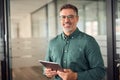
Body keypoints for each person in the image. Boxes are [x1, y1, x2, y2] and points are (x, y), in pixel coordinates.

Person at [43, 4, 105, 80]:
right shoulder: (52, 43)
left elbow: (100, 72)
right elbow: (46, 66)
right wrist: (47, 72)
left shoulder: (89, 41)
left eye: (70, 17)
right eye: (63, 17)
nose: (66, 20)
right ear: (60, 19)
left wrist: (75, 76)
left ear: (77, 19)